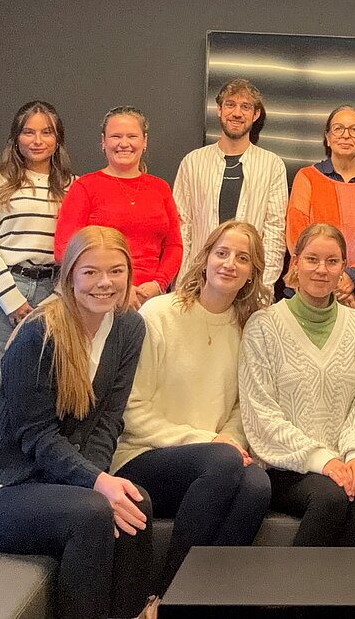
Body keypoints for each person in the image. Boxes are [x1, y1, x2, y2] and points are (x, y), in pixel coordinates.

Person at [0, 226, 153, 619]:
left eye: (116, 271)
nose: (105, 283)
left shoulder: (130, 327)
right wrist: (97, 485)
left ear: (129, 274)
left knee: (136, 503)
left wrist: (98, 482)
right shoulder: (39, 333)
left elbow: (108, 421)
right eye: (91, 272)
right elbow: (37, 437)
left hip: (60, 483)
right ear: (69, 276)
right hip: (2, 494)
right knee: (92, 512)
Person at [111, 220, 273, 610]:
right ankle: (166, 599)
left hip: (218, 466)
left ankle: (205, 606)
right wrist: (210, 442)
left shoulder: (248, 326)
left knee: (258, 486)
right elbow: (132, 411)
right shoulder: (159, 313)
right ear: (205, 258)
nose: (229, 264)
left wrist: (230, 440)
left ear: (253, 273)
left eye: (242, 258)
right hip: (143, 456)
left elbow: (241, 407)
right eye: (221, 253)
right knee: (223, 462)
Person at [240, 222, 355, 549]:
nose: (322, 269)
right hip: (285, 464)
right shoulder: (263, 326)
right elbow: (260, 415)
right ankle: (298, 600)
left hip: (346, 458)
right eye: (312, 259)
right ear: (295, 264)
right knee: (330, 498)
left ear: (343, 268)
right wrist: (324, 461)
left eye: (332, 261)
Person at [0, 100, 75, 362]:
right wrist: (12, 302)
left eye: (47, 132)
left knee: (35, 388)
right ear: (16, 137)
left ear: (58, 139)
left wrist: (55, 298)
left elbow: (77, 251)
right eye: (28, 132)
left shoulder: (73, 186)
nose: (37, 140)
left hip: (50, 296)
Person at [284, 105, 355, 339]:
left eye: (354, 129)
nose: (346, 135)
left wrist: (352, 279)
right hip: (308, 292)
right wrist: (337, 283)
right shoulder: (307, 178)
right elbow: (297, 237)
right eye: (338, 129)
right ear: (327, 138)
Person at [55, 105, 182, 309]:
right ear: (103, 142)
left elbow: (174, 246)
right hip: (100, 298)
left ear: (144, 141)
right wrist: (118, 287)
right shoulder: (84, 187)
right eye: (116, 136)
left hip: (152, 301)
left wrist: (158, 284)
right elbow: (64, 250)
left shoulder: (161, 188)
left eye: (132, 136)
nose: (124, 144)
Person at [173, 78, 288, 291]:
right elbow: (182, 227)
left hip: (249, 285)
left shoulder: (272, 165)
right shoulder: (193, 162)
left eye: (245, 107)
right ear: (219, 110)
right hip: (198, 283)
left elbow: (275, 232)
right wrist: (182, 284)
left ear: (256, 115)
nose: (237, 113)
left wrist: (263, 286)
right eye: (230, 104)